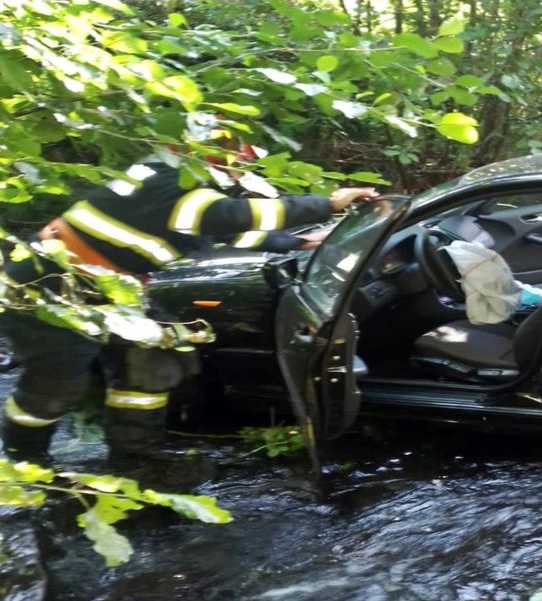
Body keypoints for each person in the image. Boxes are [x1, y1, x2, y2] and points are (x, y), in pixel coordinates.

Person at [0, 149, 377, 464]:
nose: (239, 169)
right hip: (50, 285)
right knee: (58, 383)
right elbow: (231, 216)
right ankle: (26, 463)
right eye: (236, 159)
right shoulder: (176, 183)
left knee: (156, 363)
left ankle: (135, 459)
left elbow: (219, 227)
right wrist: (326, 203)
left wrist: (298, 244)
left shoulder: (175, 181)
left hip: (108, 290)